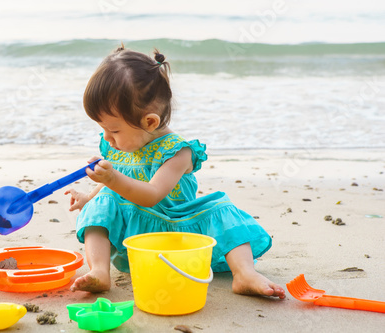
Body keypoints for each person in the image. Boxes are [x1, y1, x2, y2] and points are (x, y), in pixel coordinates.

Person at [65, 44, 285, 299]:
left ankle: (244, 273)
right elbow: (113, 187)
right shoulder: (119, 145)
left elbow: (151, 195)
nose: (107, 138)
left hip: (178, 237)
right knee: (103, 202)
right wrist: (90, 199)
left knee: (223, 209)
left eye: (114, 130)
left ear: (150, 122)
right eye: (102, 128)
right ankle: (100, 271)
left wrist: (112, 178)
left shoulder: (178, 152)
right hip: (132, 245)